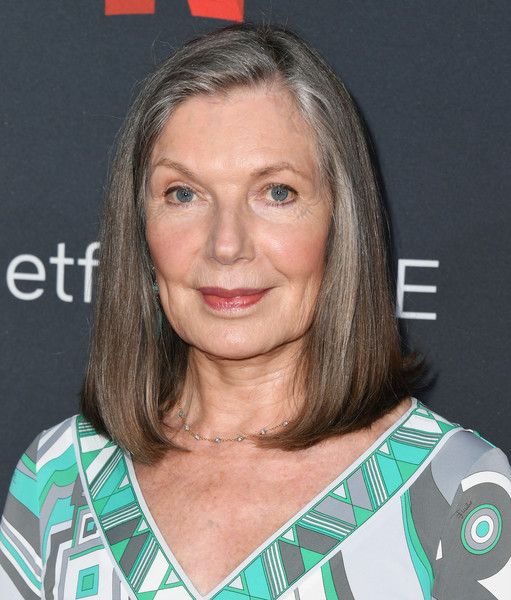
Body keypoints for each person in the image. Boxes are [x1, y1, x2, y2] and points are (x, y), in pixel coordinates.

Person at [1, 21, 510, 600]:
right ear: (140, 226)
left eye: (277, 193)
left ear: (339, 224)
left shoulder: (459, 496)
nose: (226, 243)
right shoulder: (58, 479)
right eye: (183, 194)